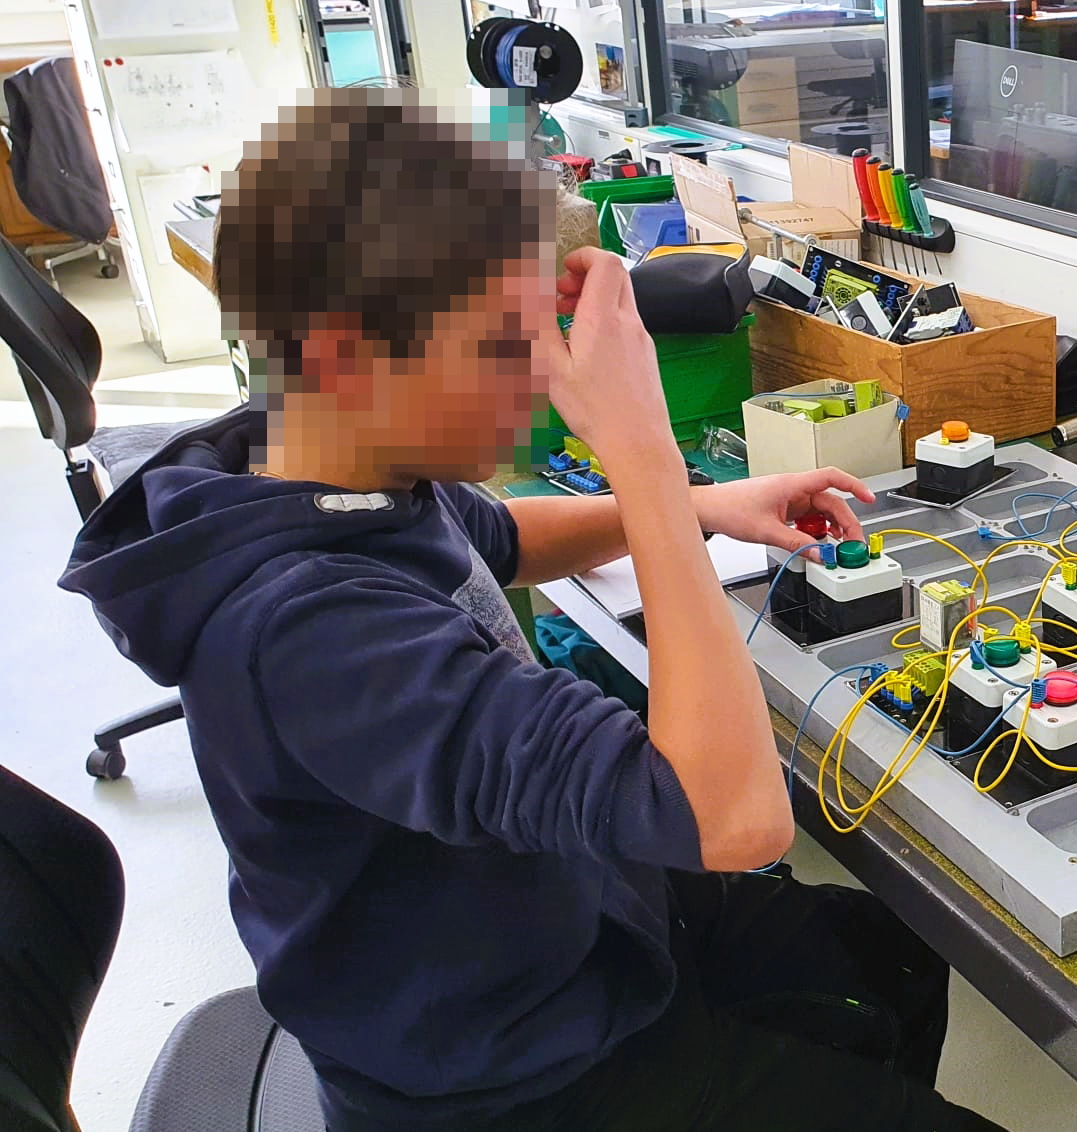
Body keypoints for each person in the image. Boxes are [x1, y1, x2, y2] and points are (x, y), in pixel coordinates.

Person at [60, 88, 1007, 1132]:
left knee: (893, 961)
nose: (542, 383)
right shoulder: (308, 632)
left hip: (558, 919)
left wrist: (701, 503)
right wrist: (641, 450)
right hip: (513, 1071)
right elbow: (731, 818)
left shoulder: (333, 467)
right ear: (339, 355)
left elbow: (498, 536)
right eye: (504, 348)